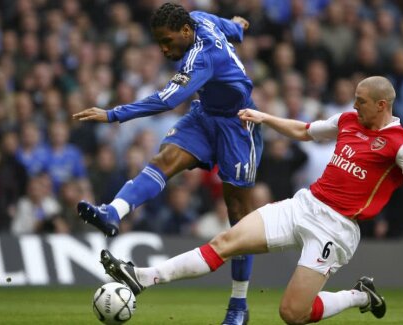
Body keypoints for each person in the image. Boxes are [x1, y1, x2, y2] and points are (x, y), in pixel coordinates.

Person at [98, 76, 403, 324]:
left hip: (337, 228)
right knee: (225, 242)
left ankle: (357, 296)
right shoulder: (349, 121)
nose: (355, 104)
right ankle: (144, 277)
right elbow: (305, 130)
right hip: (304, 204)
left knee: (292, 314)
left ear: (382, 105)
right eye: (355, 99)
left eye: (362, 101)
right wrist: (264, 117)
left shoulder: (402, 145)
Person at [73, 3, 262, 324]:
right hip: (205, 116)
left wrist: (112, 113)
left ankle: (238, 305)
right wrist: (238, 26)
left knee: (239, 218)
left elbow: (168, 99)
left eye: (168, 40)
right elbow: (230, 27)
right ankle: (112, 212)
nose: (163, 48)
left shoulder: (202, 57)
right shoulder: (199, 19)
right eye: (159, 41)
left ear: (185, 32)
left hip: (237, 126)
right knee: (165, 159)